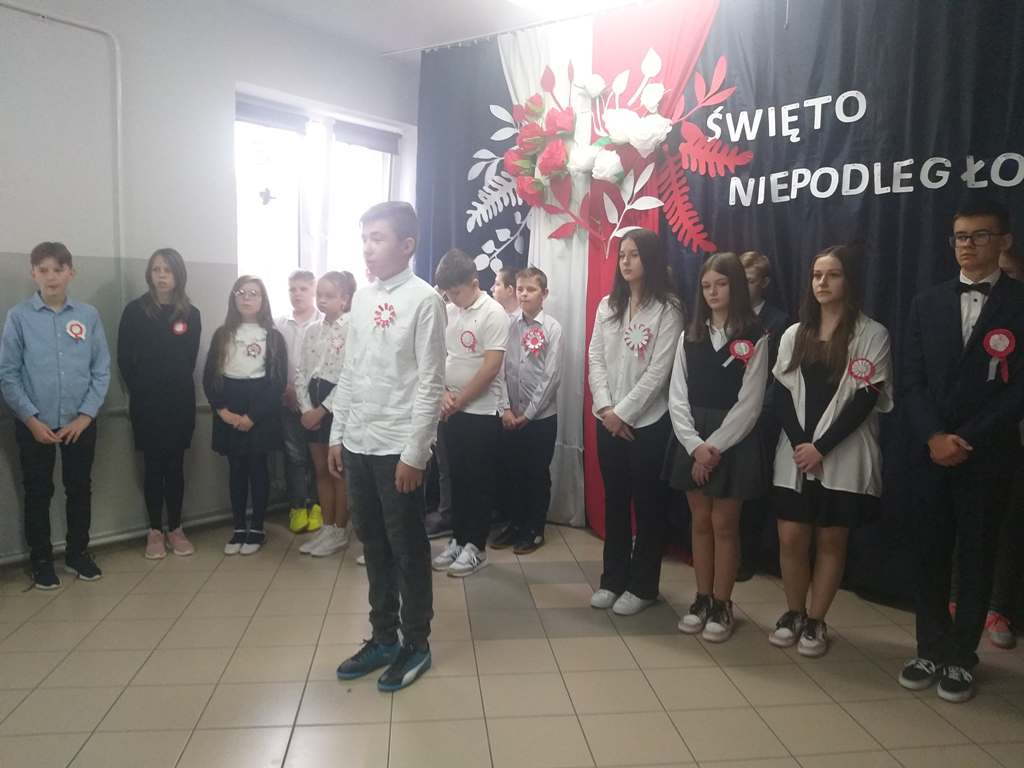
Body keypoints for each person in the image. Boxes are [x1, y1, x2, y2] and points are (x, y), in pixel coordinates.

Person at [900, 198, 1024, 703]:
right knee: (929, 553)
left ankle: (961, 656)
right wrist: (934, 437)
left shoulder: (1019, 302)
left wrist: (967, 438)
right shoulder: (926, 302)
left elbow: (1019, 390)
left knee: (977, 555)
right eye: (960, 237)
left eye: (979, 235)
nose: (968, 245)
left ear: (1004, 241)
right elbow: (911, 380)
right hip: (930, 452)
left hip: (987, 454)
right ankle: (929, 647)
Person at [329, 201, 445, 692]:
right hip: (359, 441)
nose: (368, 248)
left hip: (399, 448)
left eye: (377, 238)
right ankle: (383, 637)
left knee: (407, 549)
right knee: (373, 545)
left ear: (407, 245)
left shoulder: (424, 300)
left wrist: (416, 453)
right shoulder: (361, 299)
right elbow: (351, 370)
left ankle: (416, 642)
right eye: (365, 238)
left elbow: (431, 382)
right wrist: (338, 433)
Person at [769, 245, 892, 657]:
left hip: (842, 453)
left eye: (832, 275)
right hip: (796, 454)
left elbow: (866, 398)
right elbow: (780, 392)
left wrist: (821, 447)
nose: (822, 282)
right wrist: (801, 445)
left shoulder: (872, 334)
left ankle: (816, 621)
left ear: (849, 280)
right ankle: (794, 611)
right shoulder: (795, 333)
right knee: (791, 537)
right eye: (817, 275)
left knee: (831, 541)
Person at [667, 252, 769, 642]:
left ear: (736, 286)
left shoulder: (755, 336)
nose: (713, 292)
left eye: (721, 284)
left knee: (725, 525)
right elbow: (677, 395)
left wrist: (713, 448)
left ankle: (723, 603)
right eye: (706, 285)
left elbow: (751, 403)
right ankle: (702, 597)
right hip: (692, 435)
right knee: (700, 521)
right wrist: (694, 445)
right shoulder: (689, 335)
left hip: (731, 439)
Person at [0, 242, 110, 588]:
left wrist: (85, 416)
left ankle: (78, 553)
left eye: (58, 270)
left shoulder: (88, 316)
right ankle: (41, 560)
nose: (51, 277)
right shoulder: (19, 317)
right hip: (35, 423)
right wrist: (31, 419)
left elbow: (101, 370)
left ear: (70, 273)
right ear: (33, 273)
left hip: (80, 422)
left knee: (79, 488)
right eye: (43, 270)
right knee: (37, 491)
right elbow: (8, 373)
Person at [588, 228, 684, 616]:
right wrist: (606, 409)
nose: (626, 262)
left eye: (634, 254)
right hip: (608, 419)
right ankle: (612, 580)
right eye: (622, 255)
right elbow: (596, 359)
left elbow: (659, 371)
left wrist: (623, 414)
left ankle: (643, 586)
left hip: (648, 424)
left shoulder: (668, 308)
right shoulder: (608, 305)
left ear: (651, 259)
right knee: (615, 503)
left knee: (648, 506)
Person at [117, 248, 201, 559]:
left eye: (168, 269)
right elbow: (124, 358)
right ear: (149, 274)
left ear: (179, 274)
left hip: (179, 401)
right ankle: (154, 530)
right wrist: (142, 389)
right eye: (156, 269)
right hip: (147, 403)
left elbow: (189, 360)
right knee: (152, 466)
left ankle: (176, 528)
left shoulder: (191, 314)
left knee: (175, 466)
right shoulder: (135, 311)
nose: (162, 275)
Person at [431, 249, 508, 577]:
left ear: (474, 284)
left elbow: (490, 367)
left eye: (457, 292)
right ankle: (458, 539)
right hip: (451, 410)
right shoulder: (449, 311)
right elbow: (438, 357)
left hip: (482, 412)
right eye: (447, 293)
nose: (452, 298)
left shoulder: (493, 313)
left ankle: (476, 546)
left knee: (478, 481)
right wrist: (443, 395)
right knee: (457, 479)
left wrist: (459, 400)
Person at [203, 276, 288, 556]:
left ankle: (258, 527)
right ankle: (239, 526)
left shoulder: (273, 337)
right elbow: (209, 376)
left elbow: (277, 382)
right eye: (241, 292)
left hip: (260, 409)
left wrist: (252, 417)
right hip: (229, 405)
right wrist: (223, 411)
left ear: (263, 300)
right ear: (234, 297)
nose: (247, 298)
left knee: (258, 468)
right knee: (236, 469)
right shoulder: (222, 335)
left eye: (254, 293)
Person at [492, 267, 563, 554]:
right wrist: (505, 409)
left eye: (531, 289)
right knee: (512, 472)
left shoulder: (552, 329)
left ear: (544, 293)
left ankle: (534, 529)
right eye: (520, 289)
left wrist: (528, 414)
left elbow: (551, 376)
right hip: (511, 415)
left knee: (536, 474)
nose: (524, 294)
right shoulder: (508, 325)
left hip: (540, 418)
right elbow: (499, 369)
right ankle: (515, 523)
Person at [737, 251, 790, 581]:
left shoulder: (778, 321)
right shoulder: (727, 315)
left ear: (765, 283)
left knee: (753, 490)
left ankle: (748, 556)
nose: (743, 287)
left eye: (750, 280)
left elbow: (778, 376)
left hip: (760, 418)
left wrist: (756, 414)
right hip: (725, 415)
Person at [296, 271, 357, 557]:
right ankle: (328, 525)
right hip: (313, 399)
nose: (322, 300)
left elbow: (349, 376)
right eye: (319, 294)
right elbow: (301, 371)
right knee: (320, 469)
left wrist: (322, 410)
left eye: (329, 296)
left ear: (344, 299)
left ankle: (340, 529)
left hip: (336, 404)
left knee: (337, 471)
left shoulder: (352, 328)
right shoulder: (311, 330)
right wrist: (306, 408)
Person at [276, 270, 322, 535]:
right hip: (288, 400)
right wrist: (287, 389)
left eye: (303, 289)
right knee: (294, 456)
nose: (297, 294)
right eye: (293, 289)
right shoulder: (279, 324)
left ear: (313, 290)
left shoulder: (324, 322)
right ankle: (297, 507)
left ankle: (317, 505)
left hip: (316, 403)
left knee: (318, 457)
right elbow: (275, 362)